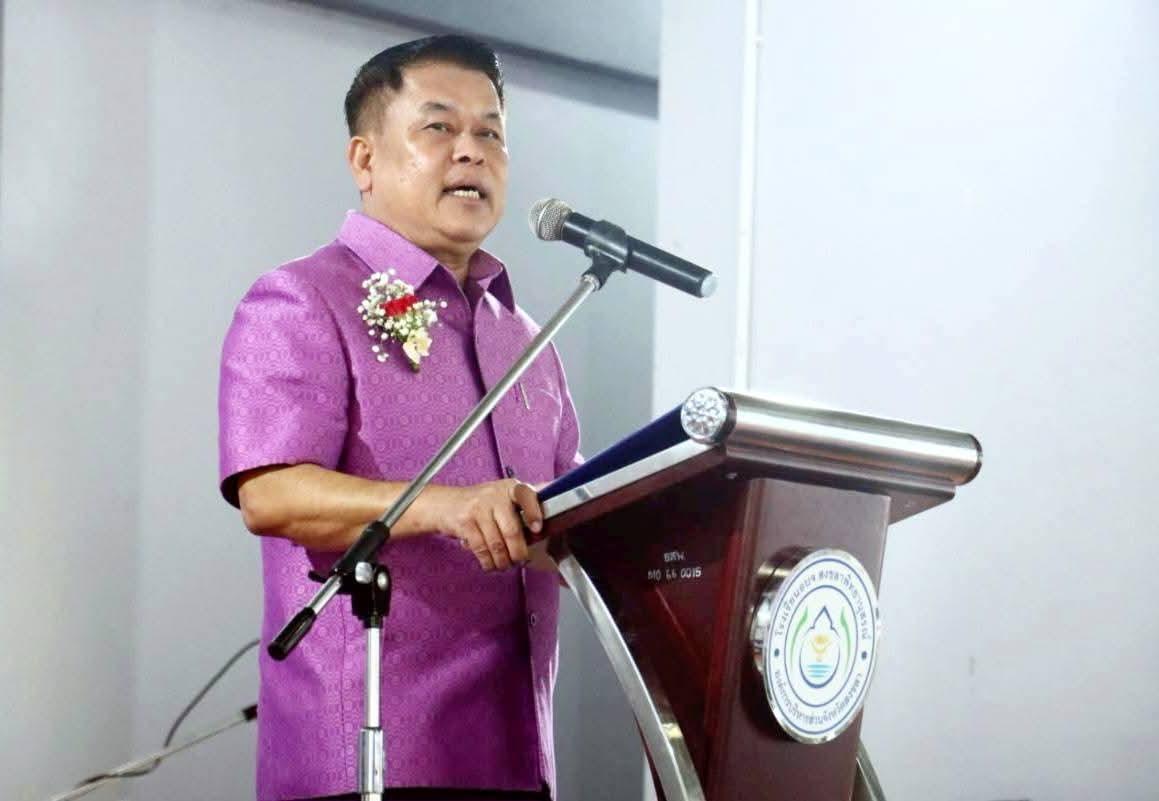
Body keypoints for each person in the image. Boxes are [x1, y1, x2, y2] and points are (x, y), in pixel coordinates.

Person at [218, 35, 581, 801]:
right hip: (371, 757)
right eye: (438, 127)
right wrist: (448, 507)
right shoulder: (302, 298)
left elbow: (570, 522)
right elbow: (270, 494)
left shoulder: (530, 340)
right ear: (365, 160)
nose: (471, 151)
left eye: (491, 133)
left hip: (516, 758)